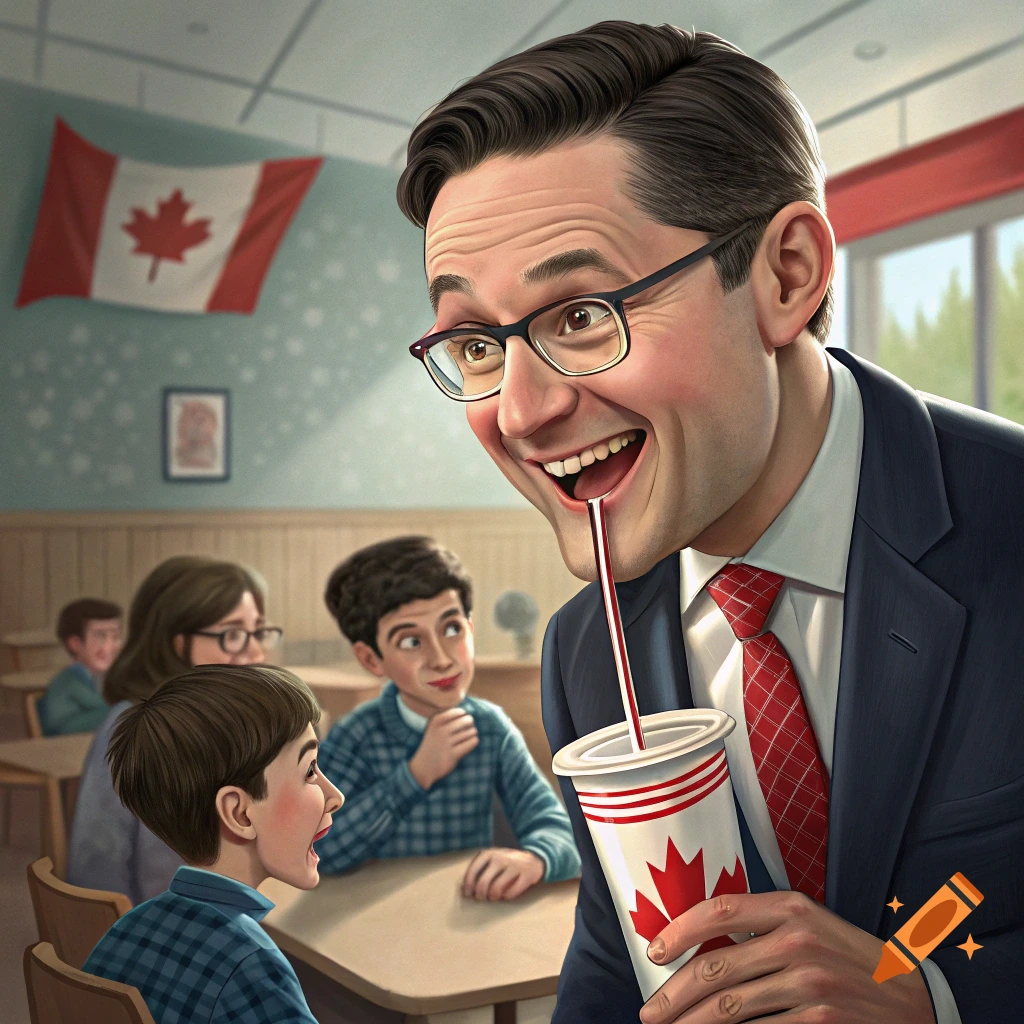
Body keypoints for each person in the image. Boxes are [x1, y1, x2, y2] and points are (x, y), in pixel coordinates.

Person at [395, 22, 1022, 1024]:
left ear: (784, 276)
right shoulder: (585, 653)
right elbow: (620, 960)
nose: (518, 412)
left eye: (583, 315)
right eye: (476, 341)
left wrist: (932, 999)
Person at [315, 535, 580, 899]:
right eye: (411, 641)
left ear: (470, 629)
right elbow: (323, 852)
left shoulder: (489, 727)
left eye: (452, 629)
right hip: (370, 918)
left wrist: (536, 858)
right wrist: (415, 776)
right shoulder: (355, 735)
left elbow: (557, 827)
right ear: (371, 660)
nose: (441, 658)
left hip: (463, 912)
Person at [83, 664, 341, 1024]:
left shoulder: (124, 931)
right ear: (240, 813)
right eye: (310, 770)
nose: (335, 796)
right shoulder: (252, 963)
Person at [67, 555, 283, 906]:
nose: (256, 652)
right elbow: (96, 871)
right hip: (167, 935)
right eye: (232, 635)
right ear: (177, 642)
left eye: (258, 632)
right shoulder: (137, 727)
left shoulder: (233, 719)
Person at [37, 598, 121, 735]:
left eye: (116, 637)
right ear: (75, 644)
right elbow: (60, 728)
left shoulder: (112, 679)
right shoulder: (64, 683)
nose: (110, 646)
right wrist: (120, 712)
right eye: (100, 637)